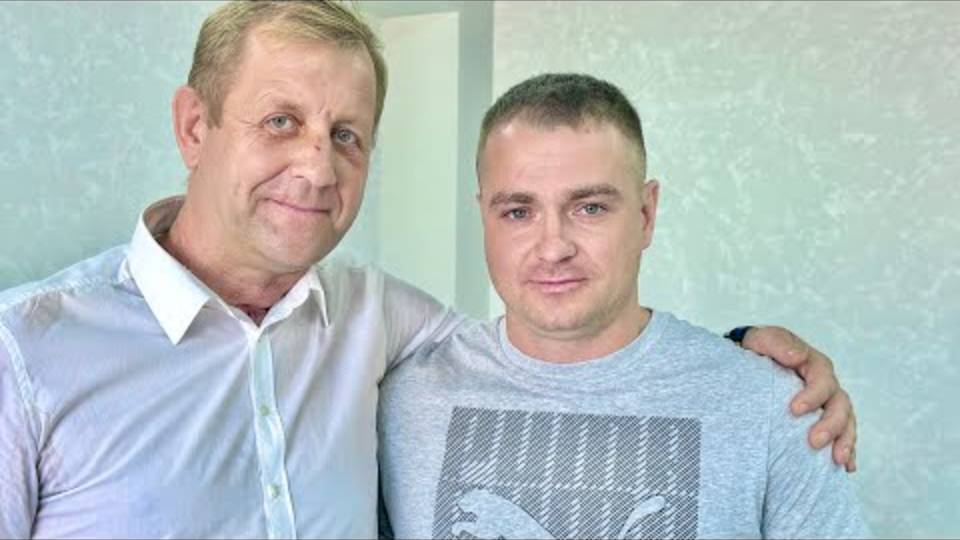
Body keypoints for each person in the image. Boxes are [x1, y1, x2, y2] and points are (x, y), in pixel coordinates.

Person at [0, 2, 852, 538]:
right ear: (194, 127)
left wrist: (747, 352)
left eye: (346, 135)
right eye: (280, 121)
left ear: (648, 212)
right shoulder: (24, 350)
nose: (317, 167)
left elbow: (560, 342)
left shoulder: (378, 323)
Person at [378, 73, 869, 539]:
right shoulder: (400, 401)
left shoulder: (773, 405)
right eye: (518, 212)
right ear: (484, 218)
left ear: (646, 214)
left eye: (590, 208)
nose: (553, 247)